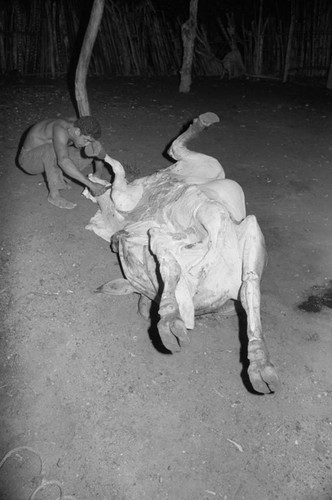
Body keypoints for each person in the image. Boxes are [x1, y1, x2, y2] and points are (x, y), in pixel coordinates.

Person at [18, 116, 108, 209]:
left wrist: (98, 172)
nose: (86, 143)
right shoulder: (60, 129)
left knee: (88, 151)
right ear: (77, 132)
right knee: (52, 149)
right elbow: (63, 161)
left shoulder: (80, 127)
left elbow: (97, 148)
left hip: (46, 157)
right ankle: (54, 196)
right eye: (86, 140)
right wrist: (91, 185)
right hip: (28, 160)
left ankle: (62, 177)